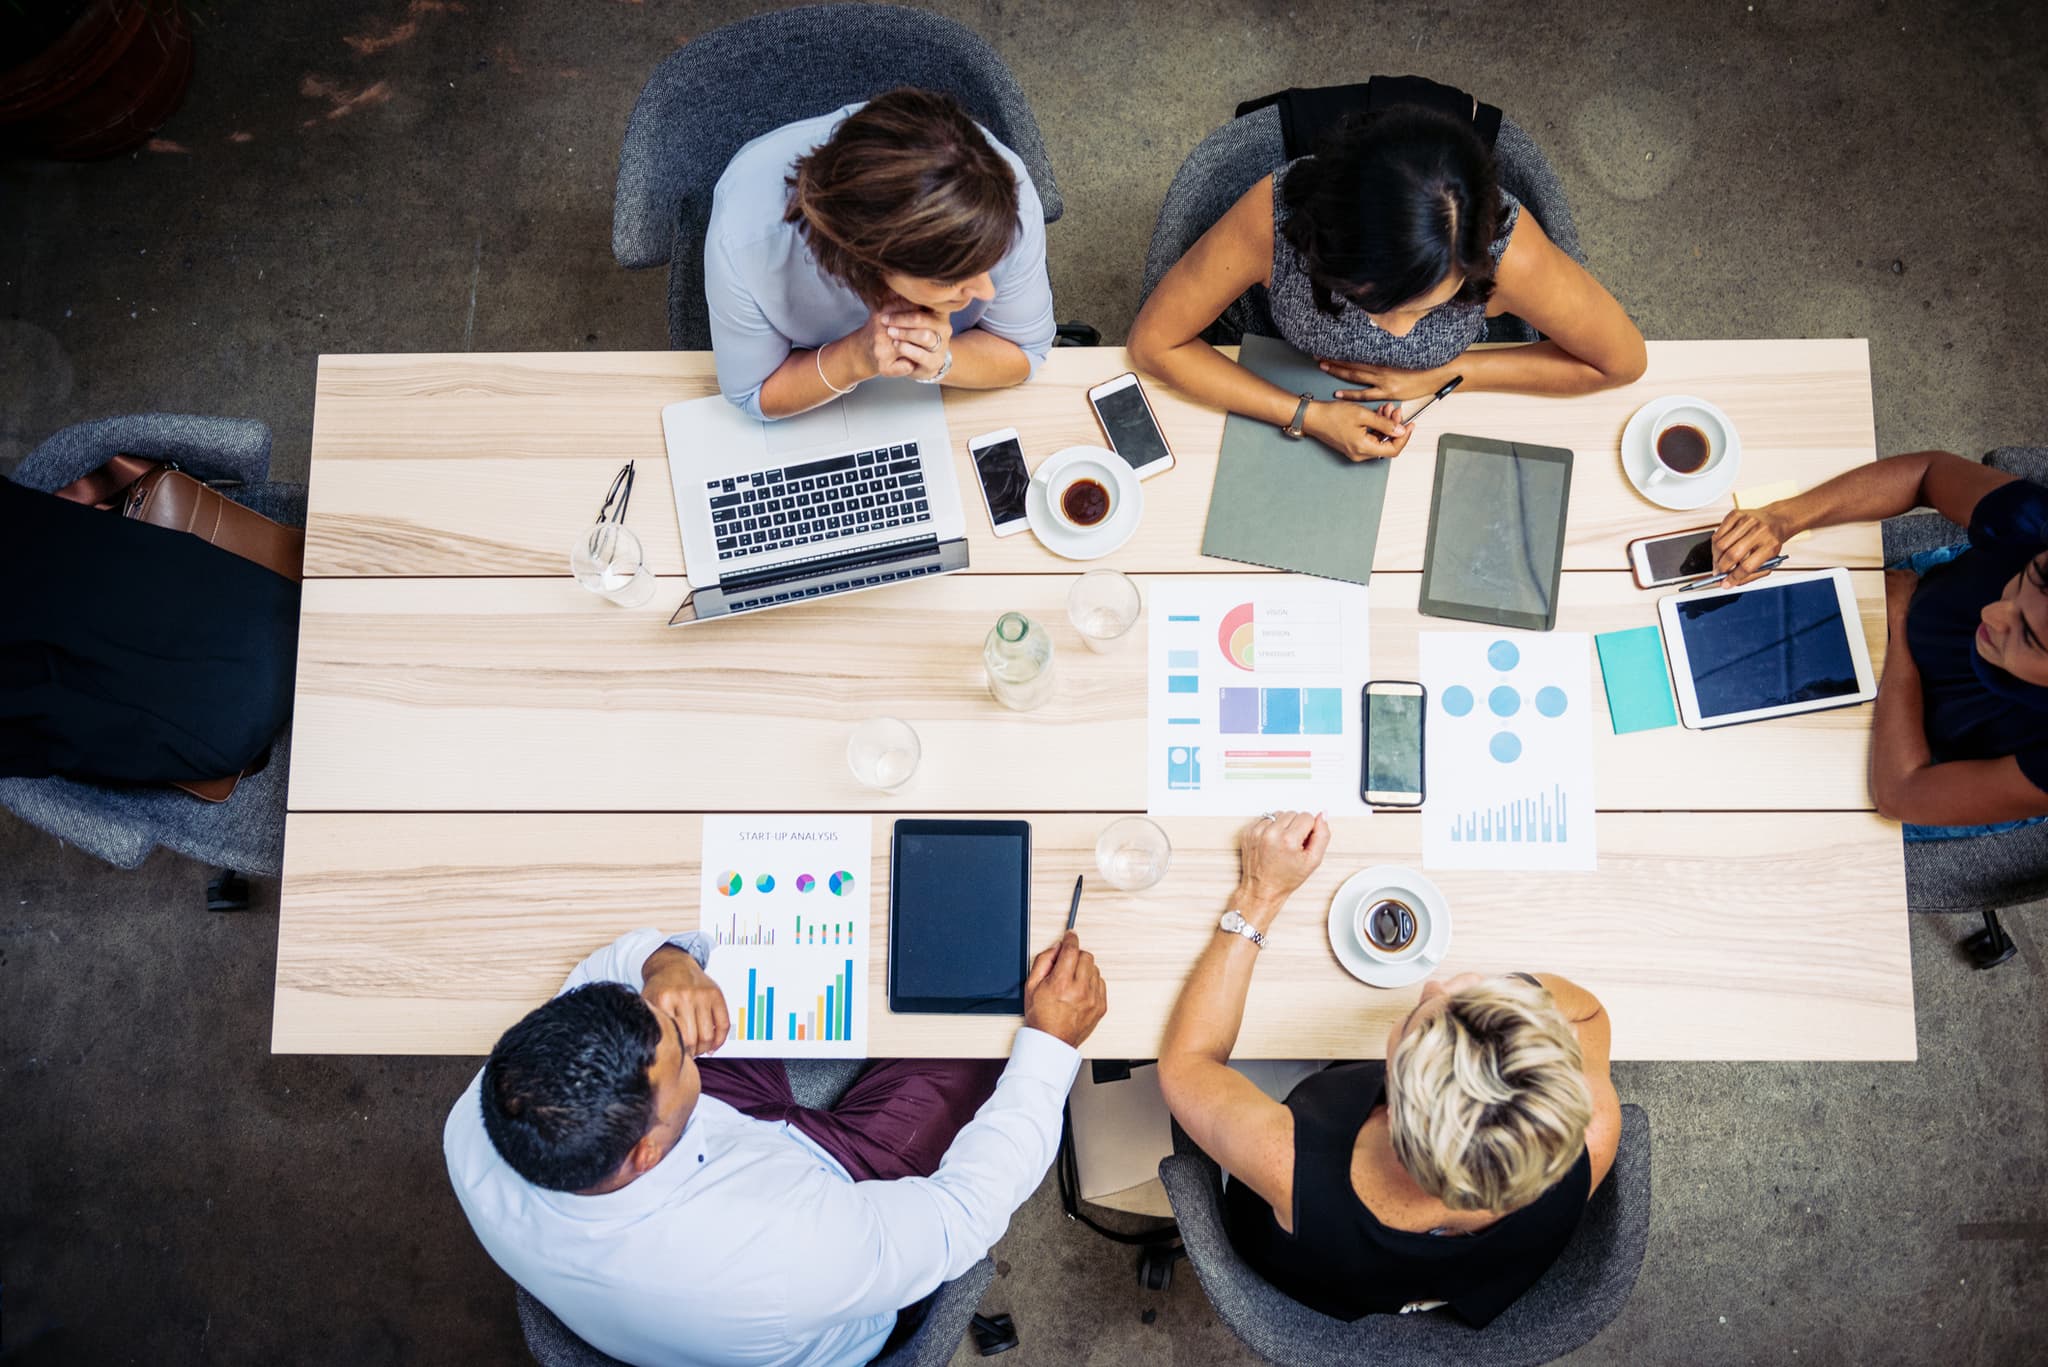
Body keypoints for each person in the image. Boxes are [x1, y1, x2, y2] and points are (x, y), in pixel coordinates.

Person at [445, 925, 1106, 1367]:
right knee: (984, 1027)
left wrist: (663, 963)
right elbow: (962, 1213)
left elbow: (594, 982)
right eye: (682, 1054)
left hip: (729, 1159)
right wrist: (1051, 1046)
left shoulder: (487, 1113)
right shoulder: (784, 1253)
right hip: (823, 1223)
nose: (684, 1029)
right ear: (645, 1150)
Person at [1156, 812, 1622, 1326]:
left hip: (1307, 1263)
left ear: (1392, 1105)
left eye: (1419, 1024)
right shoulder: (1592, 1135)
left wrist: (1260, 896)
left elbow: (1187, 1064)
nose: (1437, 986)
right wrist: (1503, 1017)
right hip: (1464, 1275)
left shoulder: (1290, 1164)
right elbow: (1588, 1012)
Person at [1128, 106, 1646, 462]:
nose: (1397, 335)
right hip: (1278, 372)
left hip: (1448, 412)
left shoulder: (1507, 251)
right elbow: (1154, 343)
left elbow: (1622, 361)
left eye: (1425, 309)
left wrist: (1451, 372)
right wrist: (1306, 417)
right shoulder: (1273, 218)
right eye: (1375, 302)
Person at [1710, 450, 2048, 837]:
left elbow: (1901, 794)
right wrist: (1783, 518)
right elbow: (1927, 473)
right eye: (2026, 576)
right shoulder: (2036, 524)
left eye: (2029, 636)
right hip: (1907, 604)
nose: (1990, 614)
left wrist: (1900, 629)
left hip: (1924, 762)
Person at [706, 87, 1055, 421]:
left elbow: (1025, 352)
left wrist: (940, 361)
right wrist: (856, 357)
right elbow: (753, 393)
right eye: (949, 278)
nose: (986, 291)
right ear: (869, 261)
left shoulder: (1008, 198)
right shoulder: (741, 239)